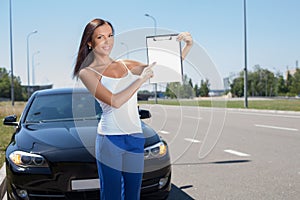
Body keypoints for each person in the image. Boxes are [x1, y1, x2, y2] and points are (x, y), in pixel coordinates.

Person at [73, 18, 193, 200]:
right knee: (112, 195)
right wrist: (140, 80)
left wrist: (186, 47)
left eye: (110, 35)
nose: (107, 41)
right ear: (90, 42)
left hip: (135, 137)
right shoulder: (87, 72)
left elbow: (164, 71)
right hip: (110, 139)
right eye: (100, 37)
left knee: (133, 195)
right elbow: (114, 101)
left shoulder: (126, 64)